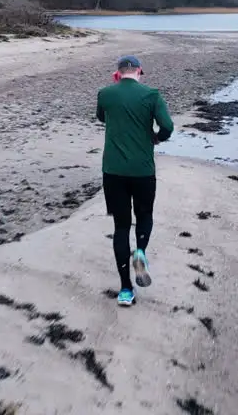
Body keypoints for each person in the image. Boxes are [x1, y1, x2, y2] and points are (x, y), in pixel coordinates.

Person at [96, 55, 174, 307]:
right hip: (142, 171)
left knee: (120, 227)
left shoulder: (105, 93)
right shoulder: (152, 95)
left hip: (113, 171)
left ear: (117, 73)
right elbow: (168, 127)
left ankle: (126, 290)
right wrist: (156, 138)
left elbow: (101, 118)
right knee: (144, 216)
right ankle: (140, 251)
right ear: (139, 71)